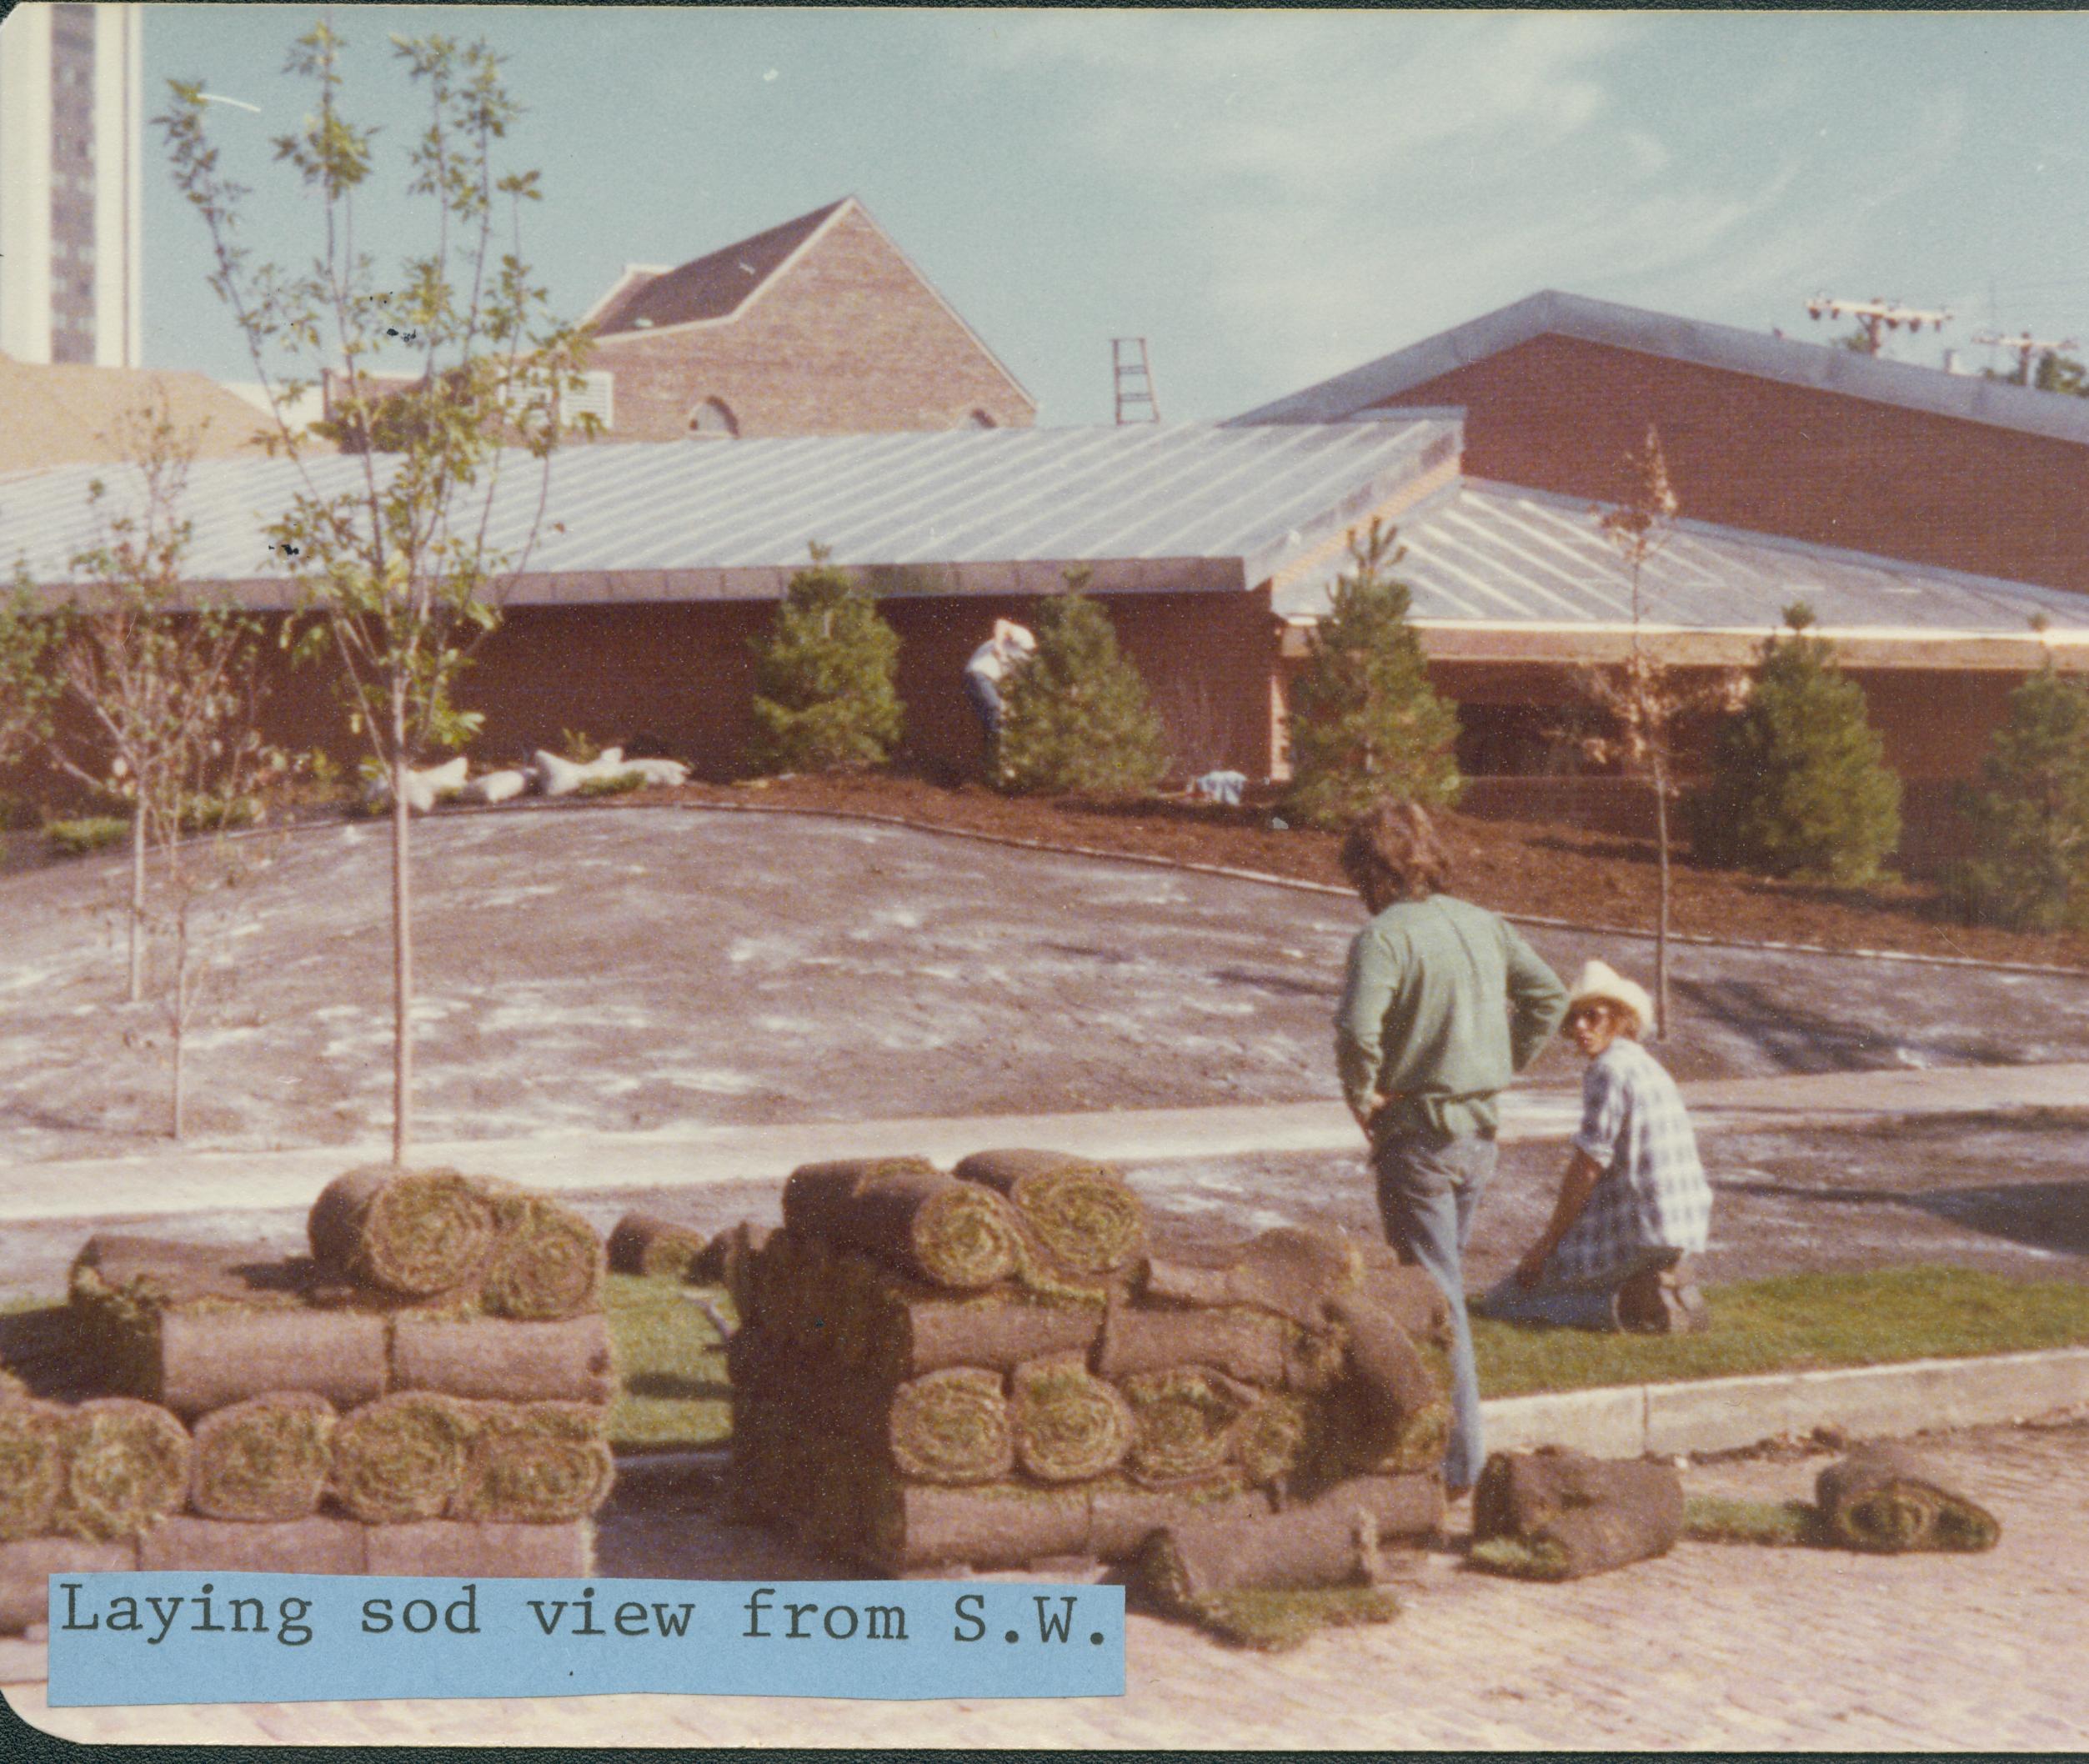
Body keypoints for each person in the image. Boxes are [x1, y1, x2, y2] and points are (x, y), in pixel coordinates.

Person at [1334, 800, 1570, 1495]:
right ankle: (1443, 1451)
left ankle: (1457, 1465)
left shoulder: (1384, 938)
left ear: (1370, 872)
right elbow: (1549, 997)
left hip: (1419, 1138)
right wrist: (1501, 1062)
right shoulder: (1484, 923)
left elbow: (1356, 1031)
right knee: (1445, 1290)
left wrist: (1362, 1094)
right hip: (1479, 1137)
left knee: (1440, 1304)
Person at [1478, 960, 1712, 1335]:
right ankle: (1658, 1282)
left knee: (1508, 1299)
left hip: (1643, 1222)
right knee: (1566, 1267)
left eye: (1593, 1016)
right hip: (1682, 1218)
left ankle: (1629, 1305)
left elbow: (1588, 1165)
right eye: (1573, 1020)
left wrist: (1545, 1246)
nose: (1581, 1028)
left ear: (1620, 1018)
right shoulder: (1644, 1064)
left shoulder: (1608, 1070)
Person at [962, 619, 1036, 743]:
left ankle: (992, 750)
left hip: (987, 680)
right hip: (980, 673)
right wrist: (998, 646)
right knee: (994, 708)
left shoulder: (1029, 667)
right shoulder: (1026, 640)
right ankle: (997, 748)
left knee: (997, 717)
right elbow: (1001, 624)